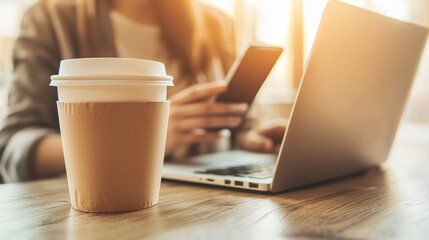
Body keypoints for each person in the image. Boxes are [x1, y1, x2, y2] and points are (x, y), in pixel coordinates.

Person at [0, 0, 286, 183]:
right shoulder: (51, 19)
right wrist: (140, 141)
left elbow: (238, 125)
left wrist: (252, 138)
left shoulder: (216, 25)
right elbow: (14, 148)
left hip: (212, 206)